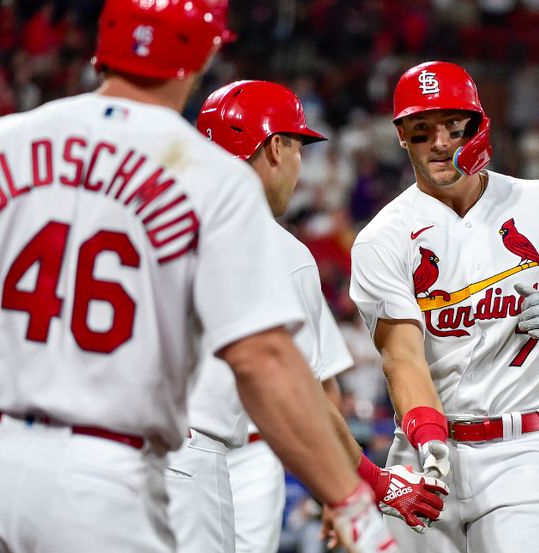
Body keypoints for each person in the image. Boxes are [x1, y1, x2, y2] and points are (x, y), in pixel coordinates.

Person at [0, 3, 394, 552]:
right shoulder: (209, 177)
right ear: (200, 57)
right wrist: (350, 499)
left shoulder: (1, 141)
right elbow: (262, 360)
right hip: (108, 473)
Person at [349, 60, 539, 553]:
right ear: (402, 137)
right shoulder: (383, 238)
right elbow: (401, 357)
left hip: (525, 449)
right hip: (426, 445)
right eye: (422, 131)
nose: (441, 142)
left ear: (478, 125)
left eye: (454, 126)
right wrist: (428, 443)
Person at [166, 80, 446, 553]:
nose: (300, 165)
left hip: (97, 456)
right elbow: (308, 401)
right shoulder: (278, 248)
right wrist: (374, 485)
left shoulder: (147, 214)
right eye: (297, 148)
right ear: (275, 147)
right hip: (191, 459)